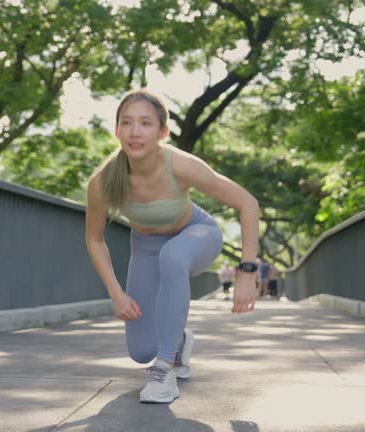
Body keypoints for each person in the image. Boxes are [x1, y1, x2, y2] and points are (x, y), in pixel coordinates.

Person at [84, 89, 260, 404]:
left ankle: (165, 369)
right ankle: (177, 341)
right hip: (145, 247)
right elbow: (94, 239)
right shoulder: (103, 182)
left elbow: (247, 203)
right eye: (126, 123)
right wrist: (116, 293)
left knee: (173, 254)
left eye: (146, 123)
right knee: (140, 352)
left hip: (197, 234)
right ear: (117, 130)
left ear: (163, 132)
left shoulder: (180, 165)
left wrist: (246, 273)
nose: (135, 132)